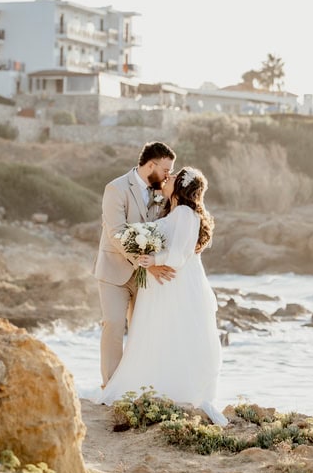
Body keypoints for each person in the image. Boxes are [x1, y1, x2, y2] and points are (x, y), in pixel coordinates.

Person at [99, 166, 227, 426]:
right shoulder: (175, 212)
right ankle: (150, 386)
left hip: (173, 282)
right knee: (158, 331)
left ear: (180, 186)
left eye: (172, 177)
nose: (166, 178)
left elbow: (179, 253)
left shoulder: (184, 213)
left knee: (167, 331)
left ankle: (164, 388)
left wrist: (152, 258)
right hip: (163, 283)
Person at [94, 141, 177, 386]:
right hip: (114, 271)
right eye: (165, 169)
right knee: (114, 324)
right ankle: (110, 387)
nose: (168, 175)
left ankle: (135, 385)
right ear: (151, 165)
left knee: (142, 331)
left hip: (147, 278)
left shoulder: (162, 192)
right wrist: (145, 263)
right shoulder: (116, 188)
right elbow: (116, 232)